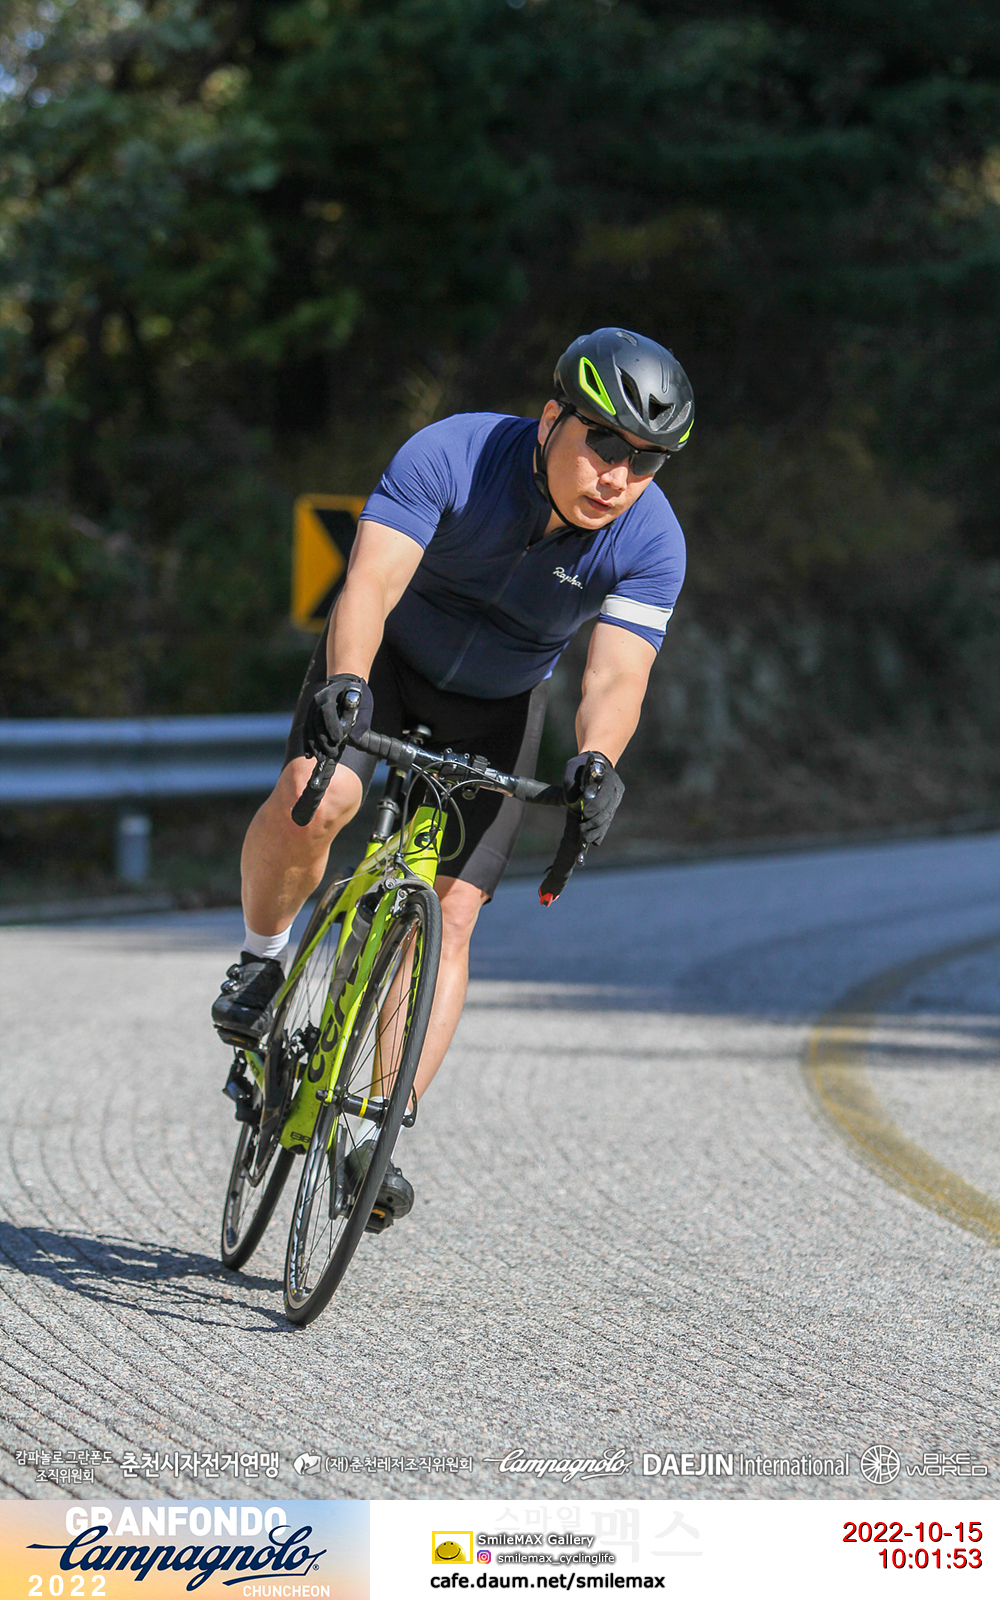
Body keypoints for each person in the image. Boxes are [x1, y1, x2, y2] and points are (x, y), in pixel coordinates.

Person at [212, 327, 693, 1222]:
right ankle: (261, 961)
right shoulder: (454, 455)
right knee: (322, 795)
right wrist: (347, 682)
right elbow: (367, 585)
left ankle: (371, 1133)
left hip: (502, 703)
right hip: (387, 664)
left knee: (456, 910)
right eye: (604, 443)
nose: (619, 476)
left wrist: (597, 761)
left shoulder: (652, 539)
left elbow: (617, 676)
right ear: (551, 419)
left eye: (647, 460)